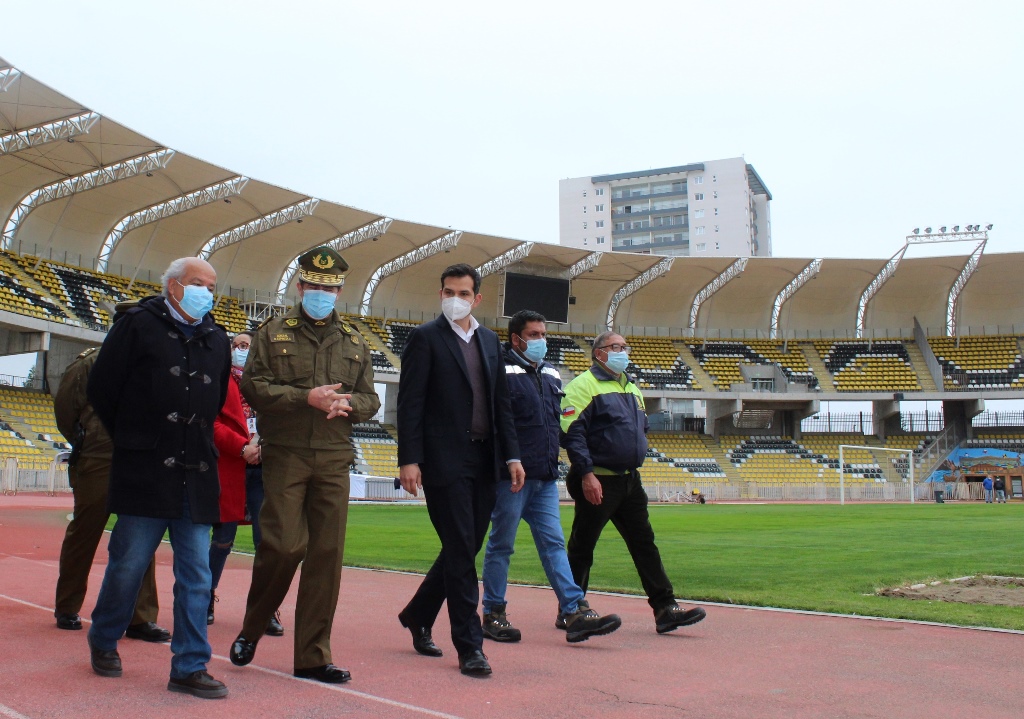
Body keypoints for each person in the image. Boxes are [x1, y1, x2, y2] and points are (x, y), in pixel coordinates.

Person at [229, 246, 380, 685]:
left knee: (326, 557)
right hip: (287, 452)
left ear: (340, 291)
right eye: (315, 286)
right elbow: (254, 387)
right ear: (300, 287)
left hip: (334, 456)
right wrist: (305, 397)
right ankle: (254, 626)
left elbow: (370, 398)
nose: (322, 293)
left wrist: (350, 404)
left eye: (330, 288)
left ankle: (313, 655)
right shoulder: (272, 332)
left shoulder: (354, 341)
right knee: (284, 546)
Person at [86, 257, 231, 699]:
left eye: (211, 286)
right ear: (173, 287)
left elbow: (218, 395)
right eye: (197, 284)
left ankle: (189, 665)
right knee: (128, 565)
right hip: (144, 470)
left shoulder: (217, 337)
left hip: (197, 473)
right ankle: (104, 638)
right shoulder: (137, 325)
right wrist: (135, 438)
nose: (206, 292)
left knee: (197, 575)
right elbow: (103, 389)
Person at [396, 263, 524, 677]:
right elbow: (410, 403)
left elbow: (501, 403)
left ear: (477, 298)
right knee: (460, 550)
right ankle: (470, 646)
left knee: (464, 547)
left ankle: (418, 614)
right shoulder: (424, 338)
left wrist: (513, 455)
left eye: (464, 293)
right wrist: (408, 458)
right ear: (441, 294)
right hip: (443, 461)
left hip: (485, 459)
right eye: (449, 291)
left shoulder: (489, 340)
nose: (456, 299)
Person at [481, 310, 621, 644]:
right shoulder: (499, 370)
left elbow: (557, 425)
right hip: (511, 476)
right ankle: (493, 612)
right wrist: (509, 461)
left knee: (554, 543)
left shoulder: (552, 374)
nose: (541, 340)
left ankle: (574, 609)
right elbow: (499, 424)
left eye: (544, 334)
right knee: (502, 544)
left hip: (544, 475)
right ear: (516, 339)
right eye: (534, 335)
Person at [560, 331, 706, 635]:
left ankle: (665, 608)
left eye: (625, 347)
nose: (623, 352)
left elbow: (642, 429)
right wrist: (586, 474)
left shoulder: (632, 388)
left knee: (644, 544)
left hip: (628, 480)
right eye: (616, 347)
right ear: (599, 353)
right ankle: (570, 609)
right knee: (583, 546)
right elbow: (572, 434)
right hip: (597, 477)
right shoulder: (582, 386)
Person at [52, 346, 169, 643]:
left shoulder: (155, 362)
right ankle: (67, 605)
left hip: (141, 457)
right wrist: (89, 440)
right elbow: (66, 409)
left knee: (142, 535)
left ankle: (140, 616)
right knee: (85, 532)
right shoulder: (92, 361)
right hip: (99, 457)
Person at [207, 332, 284, 637]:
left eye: (247, 346)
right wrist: (242, 446)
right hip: (231, 466)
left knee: (266, 541)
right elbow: (211, 423)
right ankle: (205, 598)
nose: (241, 351)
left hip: (264, 469)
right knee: (222, 538)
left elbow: (283, 420)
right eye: (237, 346)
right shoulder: (219, 380)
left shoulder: (268, 383)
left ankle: (265, 609)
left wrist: (265, 445)